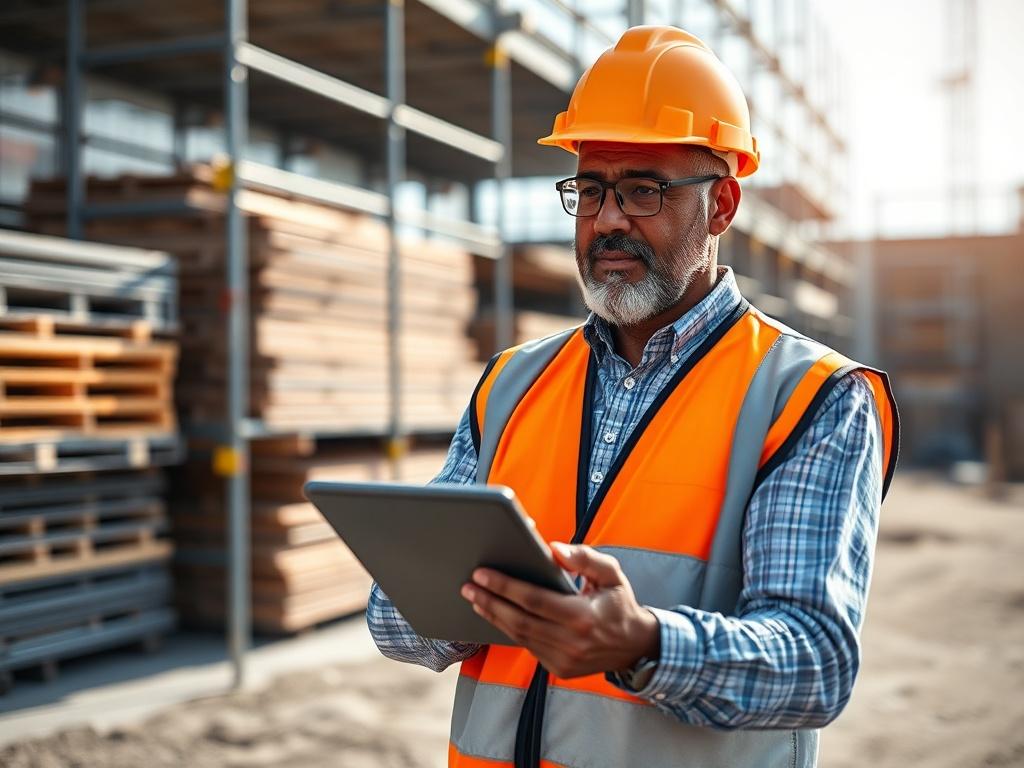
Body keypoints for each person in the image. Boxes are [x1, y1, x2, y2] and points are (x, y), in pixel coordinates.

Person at [367, 25, 899, 768]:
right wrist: (466, 603)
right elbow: (392, 622)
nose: (608, 219)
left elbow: (813, 665)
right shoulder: (511, 385)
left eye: (644, 190)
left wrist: (644, 645)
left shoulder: (810, 398)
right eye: (590, 190)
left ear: (722, 205)